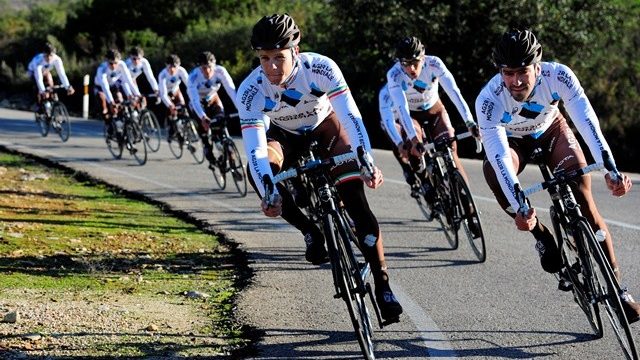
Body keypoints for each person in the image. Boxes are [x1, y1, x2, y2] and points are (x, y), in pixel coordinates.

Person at [236, 13, 403, 320]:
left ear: (295, 52)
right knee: (258, 170)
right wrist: (268, 191)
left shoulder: (319, 68)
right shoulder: (250, 90)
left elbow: (351, 118)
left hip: (326, 127)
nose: (271, 67)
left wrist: (366, 160)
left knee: (355, 200)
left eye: (279, 58)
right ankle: (310, 230)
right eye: (264, 58)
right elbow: (256, 148)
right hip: (283, 137)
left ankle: (383, 284)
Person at [475, 28, 640, 322]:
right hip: (513, 144)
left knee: (585, 203)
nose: (516, 81)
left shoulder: (558, 76)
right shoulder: (489, 99)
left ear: (537, 67)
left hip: (552, 132)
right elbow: (500, 156)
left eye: (523, 71)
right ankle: (541, 234)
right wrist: (522, 207)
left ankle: (617, 289)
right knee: (493, 172)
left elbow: (587, 122)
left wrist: (611, 169)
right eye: (508, 73)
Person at [385, 36, 479, 196]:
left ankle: (464, 197)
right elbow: (402, 108)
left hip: (435, 110)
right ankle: (425, 180)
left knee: (450, 147)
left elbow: (454, 92)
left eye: (415, 63)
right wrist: (414, 139)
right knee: (414, 150)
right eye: (406, 64)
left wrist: (469, 121)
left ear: (423, 58)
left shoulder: (434, 63)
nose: (412, 69)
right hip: (412, 115)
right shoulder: (394, 75)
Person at [187, 51, 238, 166]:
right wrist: (203, 117)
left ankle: (227, 148)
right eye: (203, 68)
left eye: (210, 67)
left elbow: (231, 91)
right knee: (204, 127)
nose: (207, 71)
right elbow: (194, 101)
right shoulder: (193, 77)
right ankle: (207, 146)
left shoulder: (220, 71)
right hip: (198, 104)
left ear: (214, 65)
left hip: (213, 98)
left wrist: (240, 108)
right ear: (199, 67)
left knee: (221, 121)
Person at [378, 83, 429, 198]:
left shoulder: (412, 83)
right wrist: (399, 143)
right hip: (393, 121)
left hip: (410, 117)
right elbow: (389, 122)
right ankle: (406, 168)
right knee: (402, 144)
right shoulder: (385, 93)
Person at [94, 49, 141, 135]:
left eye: (116, 63)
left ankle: (121, 123)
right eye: (111, 63)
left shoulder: (122, 64)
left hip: (114, 85)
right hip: (101, 88)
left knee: (121, 101)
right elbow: (105, 88)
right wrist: (111, 102)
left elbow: (129, 80)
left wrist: (137, 95)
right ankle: (108, 124)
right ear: (106, 61)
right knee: (104, 104)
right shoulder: (102, 69)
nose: (114, 66)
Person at [27, 42, 74, 113]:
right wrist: (43, 91)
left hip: (45, 70)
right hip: (33, 71)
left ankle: (52, 107)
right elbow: (39, 79)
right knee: (39, 88)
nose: (49, 58)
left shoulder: (57, 59)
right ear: (44, 55)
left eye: (51, 55)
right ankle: (39, 105)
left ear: (54, 55)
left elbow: (62, 74)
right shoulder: (38, 61)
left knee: (51, 85)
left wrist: (68, 86)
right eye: (47, 56)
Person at [157, 54, 189, 140]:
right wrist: (170, 105)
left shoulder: (181, 71)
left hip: (175, 90)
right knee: (172, 111)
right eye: (169, 67)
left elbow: (189, 86)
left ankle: (185, 126)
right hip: (166, 93)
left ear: (178, 65)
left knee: (183, 107)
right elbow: (163, 94)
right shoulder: (162, 75)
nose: (172, 69)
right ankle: (172, 129)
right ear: (166, 66)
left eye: (174, 66)